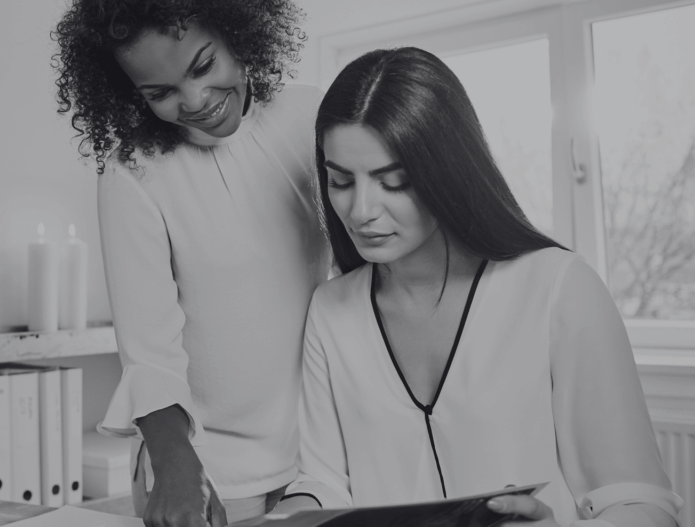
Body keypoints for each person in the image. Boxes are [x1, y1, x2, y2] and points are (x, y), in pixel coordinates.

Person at [271, 47, 684, 526]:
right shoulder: (331, 309)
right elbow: (323, 480)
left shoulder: (558, 288)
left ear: (447, 171)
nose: (361, 211)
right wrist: (292, 512)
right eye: (341, 181)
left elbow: (642, 504)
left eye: (394, 181)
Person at [52, 2, 330, 526]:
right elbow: (150, 355)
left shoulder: (308, 116)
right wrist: (178, 468)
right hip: (205, 475)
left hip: (320, 465)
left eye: (203, 66)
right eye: (159, 93)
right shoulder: (133, 174)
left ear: (238, 33)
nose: (195, 100)